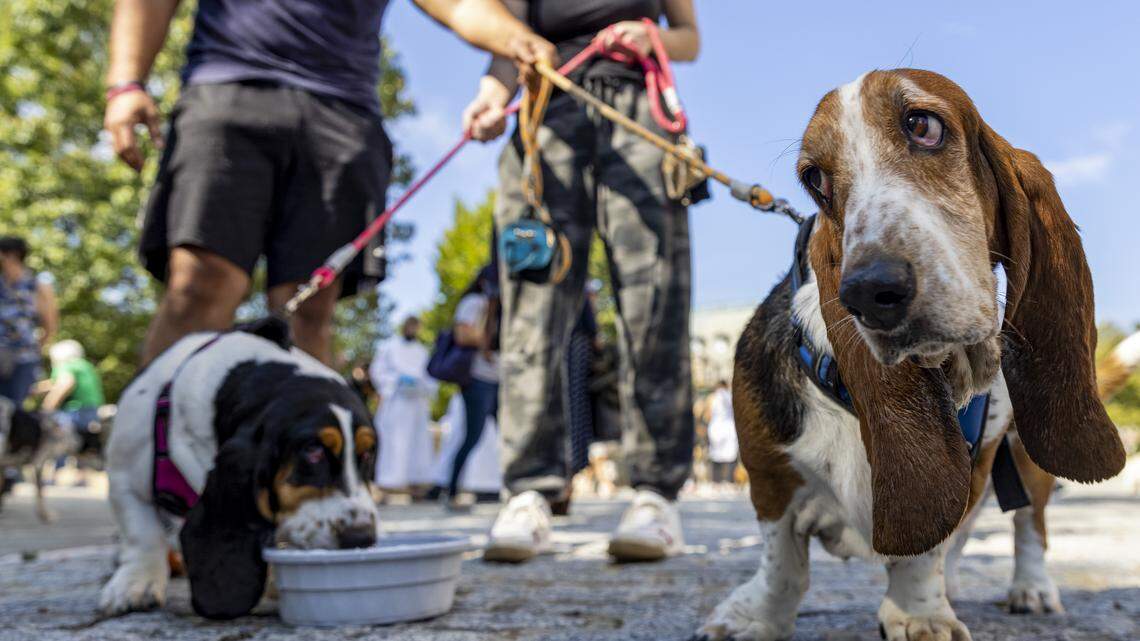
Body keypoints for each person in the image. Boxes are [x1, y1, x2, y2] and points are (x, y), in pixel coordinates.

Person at [104, 0, 556, 366]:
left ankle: (304, 468)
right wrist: (126, 83)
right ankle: (158, 463)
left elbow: (459, 6)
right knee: (198, 288)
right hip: (228, 93)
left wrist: (517, 39)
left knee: (311, 312)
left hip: (343, 117)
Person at [462, 0, 700, 563]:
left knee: (653, 298)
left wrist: (650, 36)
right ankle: (528, 492)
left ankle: (653, 494)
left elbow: (689, 38)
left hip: (637, 114)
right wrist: (492, 97)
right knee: (531, 304)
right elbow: (506, 37)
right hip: (546, 109)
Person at [445, 265, 500, 509]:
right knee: (472, 436)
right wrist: (490, 340)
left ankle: (509, 488)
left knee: (509, 436)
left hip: (501, 377)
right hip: (479, 379)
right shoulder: (473, 303)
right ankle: (452, 489)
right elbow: (462, 335)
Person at [370, 317, 437, 493]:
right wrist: (395, 382)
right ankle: (388, 483)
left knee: (418, 443)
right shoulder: (388, 347)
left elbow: (430, 377)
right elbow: (378, 371)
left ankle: (416, 482)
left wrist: (421, 386)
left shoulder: (422, 351)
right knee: (394, 441)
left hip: (417, 403)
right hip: (396, 402)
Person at [0, 236, 58, 406]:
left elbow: (50, 325)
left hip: (24, 358)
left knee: (14, 407)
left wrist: (38, 348)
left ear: (12, 255)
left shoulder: (37, 285)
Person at [705, 380, 738, 488]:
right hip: (729, 427)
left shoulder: (712, 397)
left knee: (716, 455)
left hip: (716, 427)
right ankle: (729, 481)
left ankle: (716, 481)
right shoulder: (731, 396)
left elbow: (708, 414)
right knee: (730, 455)